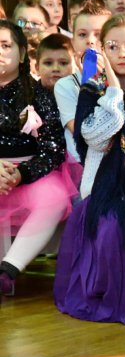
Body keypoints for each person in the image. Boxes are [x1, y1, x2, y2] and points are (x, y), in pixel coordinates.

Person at [54, 15, 125, 324]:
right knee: (106, 222)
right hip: (101, 183)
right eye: (113, 46)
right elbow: (96, 138)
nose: (122, 53)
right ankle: (105, 298)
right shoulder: (92, 90)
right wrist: (116, 94)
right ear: (102, 51)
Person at [0, 20, 77, 296]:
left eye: (5, 45)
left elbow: (53, 148)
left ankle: (8, 270)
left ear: (21, 55)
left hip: (30, 173)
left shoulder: (39, 95)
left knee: (54, 200)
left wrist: (22, 173)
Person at [54, 0, 111, 163]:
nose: (91, 41)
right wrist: (88, 82)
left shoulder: (122, 80)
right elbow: (81, 131)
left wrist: (108, 78)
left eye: (99, 34)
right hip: (81, 164)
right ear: (73, 42)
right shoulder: (65, 85)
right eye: (82, 34)